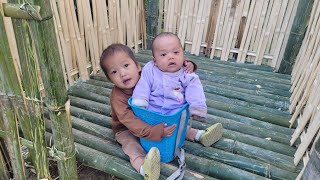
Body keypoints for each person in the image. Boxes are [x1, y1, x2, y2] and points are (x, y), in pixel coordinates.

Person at [99, 43, 194, 180]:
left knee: (174, 126)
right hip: (126, 128)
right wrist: (153, 131)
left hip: (151, 119)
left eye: (126, 66)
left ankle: (198, 135)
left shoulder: (148, 75)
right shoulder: (117, 97)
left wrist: (186, 65)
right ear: (110, 79)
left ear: (137, 66)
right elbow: (130, 122)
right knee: (131, 146)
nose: (122, 73)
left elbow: (166, 69)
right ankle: (145, 168)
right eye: (114, 72)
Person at [132, 32, 223, 147]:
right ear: (155, 60)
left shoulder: (185, 72)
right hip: (152, 112)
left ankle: (199, 135)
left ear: (183, 55)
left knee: (178, 129)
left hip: (175, 111)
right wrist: (140, 101)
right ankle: (197, 135)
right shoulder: (150, 69)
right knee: (153, 130)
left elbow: (194, 88)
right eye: (163, 54)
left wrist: (197, 106)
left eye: (176, 52)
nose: (171, 56)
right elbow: (143, 84)